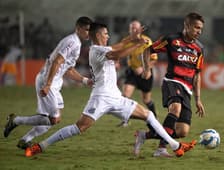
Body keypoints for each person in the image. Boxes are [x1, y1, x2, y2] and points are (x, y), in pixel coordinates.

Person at [24, 22, 196, 158]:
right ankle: (41, 146)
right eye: (105, 33)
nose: (108, 36)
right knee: (80, 127)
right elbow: (116, 54)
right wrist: (137, 43)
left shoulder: (103, 47)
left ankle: (175, 146)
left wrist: (132, 38)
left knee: (148, 115)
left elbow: (118, 46)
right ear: (98, 35)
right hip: (100, 98)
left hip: (115, 97)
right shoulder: (95, 50)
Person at [3, 16, 93, 149]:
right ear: (78, 28)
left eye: (90, 30)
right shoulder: (72, 42)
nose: (88, 33)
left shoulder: (77, 43)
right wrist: (48, 84)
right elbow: (57, 61)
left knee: (51, 120)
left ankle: (24, 140)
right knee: (53, 119)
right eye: (86, 30)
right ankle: (16, 121)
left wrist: (85, 80)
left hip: (54, 83)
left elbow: (68, 69)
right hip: (48, 81)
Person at [134, 12, 205, 157]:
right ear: (187, 26)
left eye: (201, 29)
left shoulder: (199, 49)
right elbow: (148, 50)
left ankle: (144, 136)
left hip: (187, 89)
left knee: (181, 131)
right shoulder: (171, 39)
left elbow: (197, 75)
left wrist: (198, 99)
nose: (199, 31)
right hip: (172, 82)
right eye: (196, 28)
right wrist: (147, 69)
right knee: (175, 109)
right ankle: (161, 149)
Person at [118, 20, 158, 128]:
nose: (134, 30)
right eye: (132, 28)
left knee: (146, 100)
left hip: (145, 73)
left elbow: (154, 59)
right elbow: (119, 53)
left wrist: (145, 68)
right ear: (129, 30)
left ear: (140, 29)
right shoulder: (126, 41)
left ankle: (154, 118)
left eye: (136, 28)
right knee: (125, 95)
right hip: (132, 72)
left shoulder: (147, 41)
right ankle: (125, 119)